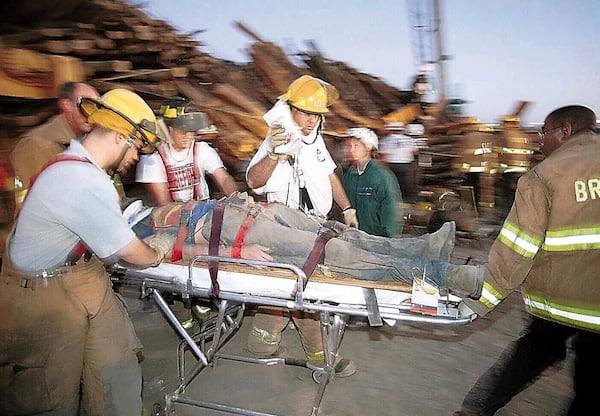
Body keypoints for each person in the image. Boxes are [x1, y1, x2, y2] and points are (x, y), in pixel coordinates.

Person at [0, 88, 173, 415]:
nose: (137, 158)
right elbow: (133, 253)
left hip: (84, 274)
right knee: (53, 399)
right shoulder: (78, 177)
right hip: (40, 292)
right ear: (120, 137)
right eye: (137, 147)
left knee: (117, 372)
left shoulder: (90, 171)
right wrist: (158, 250)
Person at [453, 105, 600, 416]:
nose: (539, 141)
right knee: (590, 385)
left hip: (560, 302)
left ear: (565, 131)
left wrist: (483, 300)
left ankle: (473, 411)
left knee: (531, 353)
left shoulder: (544, 176)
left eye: (543, 133)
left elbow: (517, 248)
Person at [245, 75, 360, 373]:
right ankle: (319, 357)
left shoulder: (315, 141)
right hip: (284, 226)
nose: (311, 121)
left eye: (316, 115)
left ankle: (262, 343)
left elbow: (331, 175)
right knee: (304, 288)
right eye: (306, 113)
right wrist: (273, 153)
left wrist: (347, 208)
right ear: (290, 110)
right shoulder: (276, 140)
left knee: (285, 288)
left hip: (313, 224)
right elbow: (253, 182)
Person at [136, 99, 238, 206]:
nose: (189, 136)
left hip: (202, 208)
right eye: (183, 132)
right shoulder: (153, 159)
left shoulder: (201, 149)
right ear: (169, 129)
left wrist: (235, 198)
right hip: (170, 215)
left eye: (191, 131)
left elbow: (223, 178)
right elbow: (163, 202)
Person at [9, 81, 100, 198]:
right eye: (86, 105)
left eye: (96, 108)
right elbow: (33, 202)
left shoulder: (89, 142)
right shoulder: (35, 145)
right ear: (66, 105)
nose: (91, 114)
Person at [342, 127, 402, 237]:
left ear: (368, 148)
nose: (351, 150)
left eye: (356, 145)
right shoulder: (347, 175)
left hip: (376, 239)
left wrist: (390, 239)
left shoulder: (381, 176)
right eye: (348, 145)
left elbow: (391, 211)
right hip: (351, 238)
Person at [379, 122, 420, 203]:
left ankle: (394, 200)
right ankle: (409, 199)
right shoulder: (408, 139)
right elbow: (415, 152)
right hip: (406, 164)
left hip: (393, 164)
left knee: (393, 183)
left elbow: (384, 155)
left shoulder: (387, 140)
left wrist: (382, 167)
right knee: (406, 183)